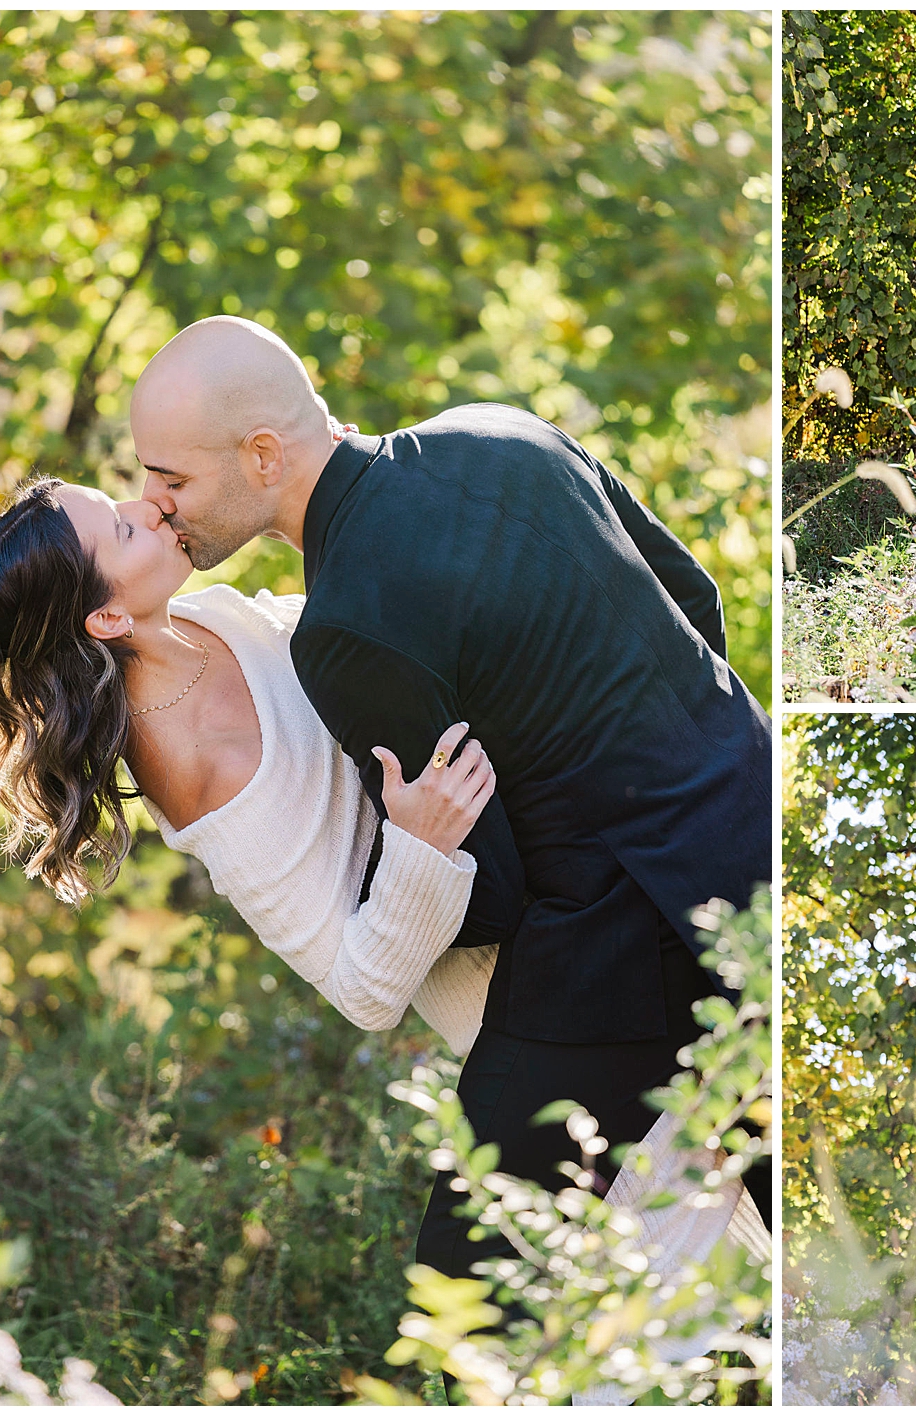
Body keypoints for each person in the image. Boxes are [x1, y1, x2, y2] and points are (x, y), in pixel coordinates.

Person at [0, 483, 769, 1291]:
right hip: (531, 990)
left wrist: (319, 486)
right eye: (123, 533)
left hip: (588, 885)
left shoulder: (207, 622)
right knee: (671, 1278)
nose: (150, 510)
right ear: (106, 619)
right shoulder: (202, 779)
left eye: (124, 501)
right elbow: (363, 990)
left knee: (764, 1159)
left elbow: (353, 641)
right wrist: (420, 842)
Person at [125, 316, 773, 1279]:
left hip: (620, 949)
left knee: (466, 1282)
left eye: (170, 478)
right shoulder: (506, 432)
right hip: (762, 818)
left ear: (262, 455)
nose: (155, 502)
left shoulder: (345, 629)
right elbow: (695, 598)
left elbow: (491, 890)